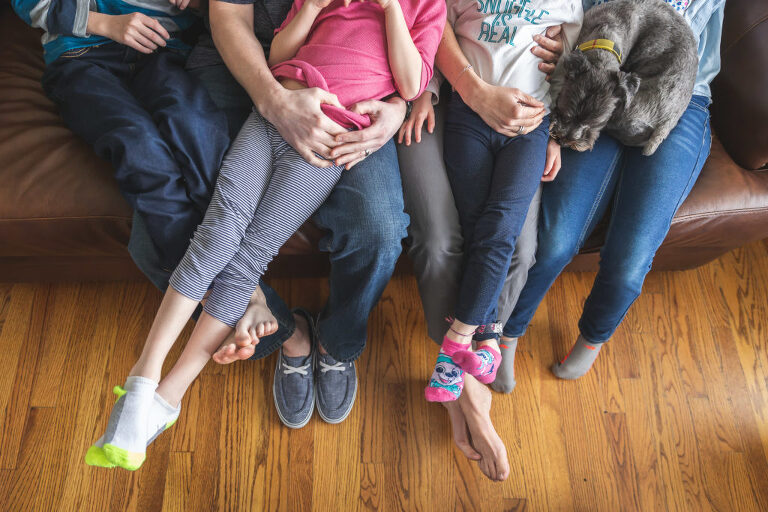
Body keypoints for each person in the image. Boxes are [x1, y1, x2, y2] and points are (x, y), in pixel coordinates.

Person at [86, 0, 445, 471]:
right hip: (270, 92)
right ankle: (145, 380)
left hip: (337, 130)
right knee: (214, 228)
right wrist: (276, 97)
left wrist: (400, 106)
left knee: (265, 252)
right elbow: (271, 44)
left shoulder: (420, 8)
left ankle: (179, 392)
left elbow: (416, 72)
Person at [503, 0, 726, 379]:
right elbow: (580, 17)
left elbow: (702, 60)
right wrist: (572, 44)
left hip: (679, 98)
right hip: (604, 76)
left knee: (630, 260)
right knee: (555, 239)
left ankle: (592, 339)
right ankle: (505, 332)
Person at [422, 0, 582, 403]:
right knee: (479, 226)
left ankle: (457, 341)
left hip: (531, 122)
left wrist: (558, 134)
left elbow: (577, 64)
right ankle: (488, 336)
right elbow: (435, 22)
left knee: (503, 226)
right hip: (468, 114)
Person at [11, 0, 230, 272]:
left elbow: (229, 12)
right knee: (139, 145)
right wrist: (108, 24)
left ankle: (229, 288)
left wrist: (198, 4)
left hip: (163, 51)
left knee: (197, 132)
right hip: (80, 54)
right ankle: (214, 287)